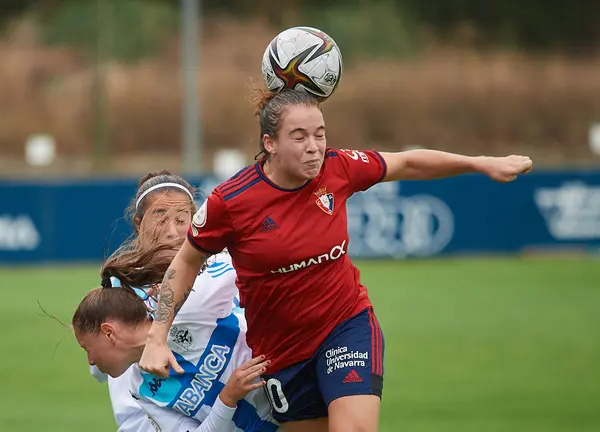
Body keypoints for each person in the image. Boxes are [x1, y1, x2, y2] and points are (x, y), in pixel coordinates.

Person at [138, 88, 534, 432]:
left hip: (346, 325)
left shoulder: (339, 168)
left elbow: (406, 162)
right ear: (270, 143)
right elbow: (186, 264)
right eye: (300, 136)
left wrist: (481, 162)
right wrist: (157, 337)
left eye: (320, 134)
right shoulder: (232, 201)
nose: (314, 146)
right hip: (282, 352)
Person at [76, 171, 277, 431]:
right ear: (138, 225)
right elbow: (101, 360)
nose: (172, 232)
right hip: (145, 421)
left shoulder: (217, 265)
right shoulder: (122, 289)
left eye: (182, 220)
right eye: (159, 219)